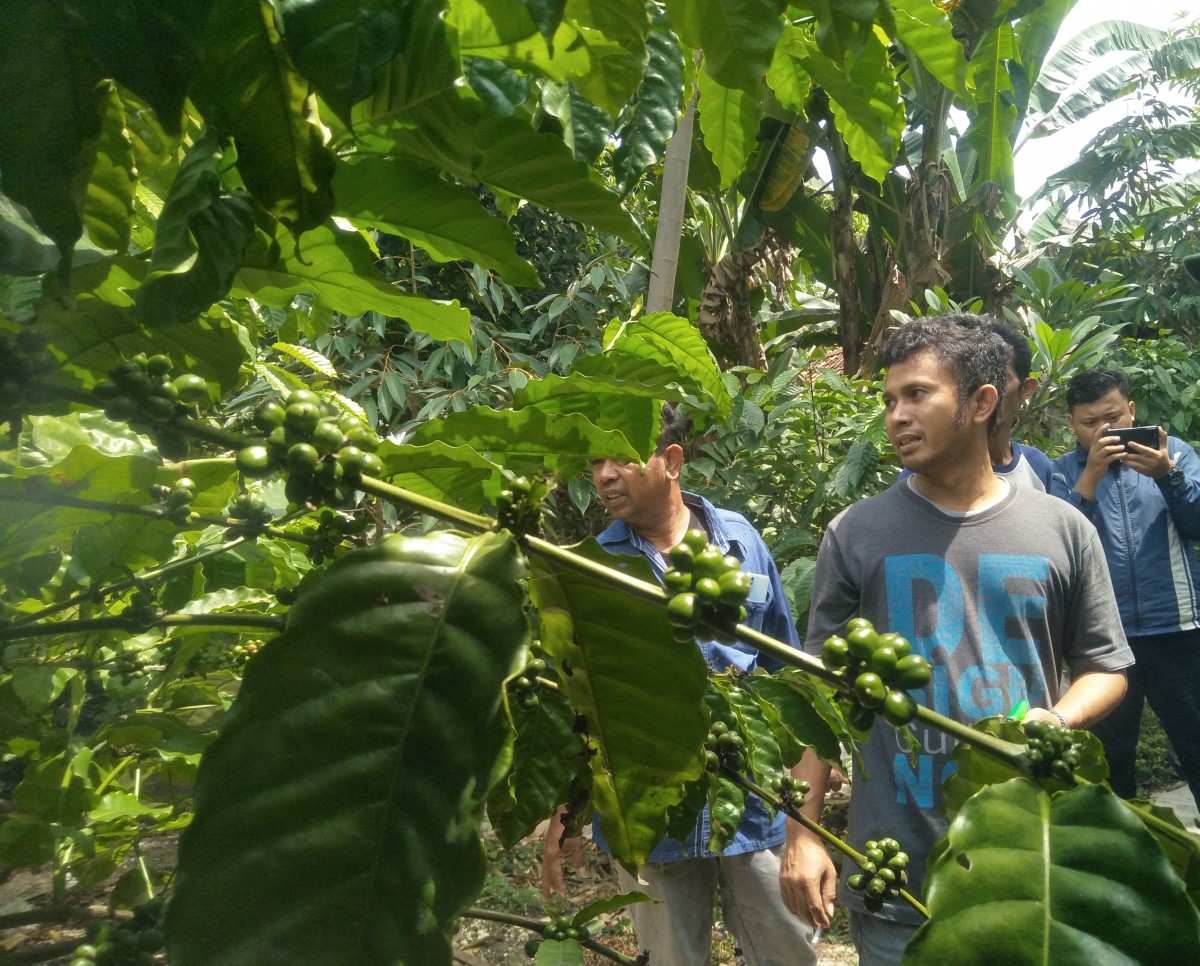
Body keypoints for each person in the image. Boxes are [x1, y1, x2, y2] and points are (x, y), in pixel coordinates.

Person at [784, 314, 1132, 965]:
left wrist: (1058, 717)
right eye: (890, 400)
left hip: (1024, 866)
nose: (896, 415)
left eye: (917, 394)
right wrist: (802, 831)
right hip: (897, 875)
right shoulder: (855, 534)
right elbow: (819, 690)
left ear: (981, 402)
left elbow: (1106, 666)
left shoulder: (1061, 529)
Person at [541, 403, 817, 966]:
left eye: (621, 456)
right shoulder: (593, 568)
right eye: (596, 462)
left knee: (787, 951)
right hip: (654, 815)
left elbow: (783, 668)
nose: (604, 475)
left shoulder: (740, 542)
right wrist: (565, 814)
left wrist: (802, 819)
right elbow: (583, 703)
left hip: (755, 806)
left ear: (671, 460)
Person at [1049, 367, 1200, 809]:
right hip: (1102, 641)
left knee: (1196, 744)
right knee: (1109, 761)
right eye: (1090, 422)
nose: (1104, 430)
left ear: (1132, 411)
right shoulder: (1061, 473)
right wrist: (1090, 477)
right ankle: (1120, 860)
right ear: (1073, 425)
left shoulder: (1179, 455)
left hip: (1177, 628)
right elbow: (1057, 549)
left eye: (1113, 417)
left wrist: (1167, 474)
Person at [898, 315, 1050, 489]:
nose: (983, 392)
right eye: (971, 380)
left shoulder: (1036, 465)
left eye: (1001, 379)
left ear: (1026, 388)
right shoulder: (927, 470)